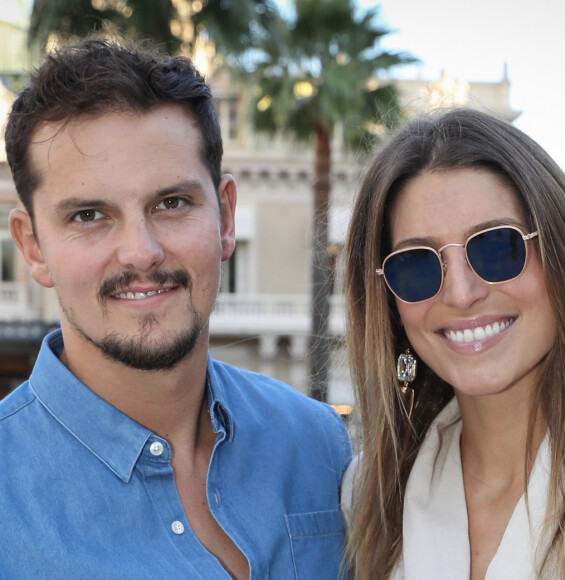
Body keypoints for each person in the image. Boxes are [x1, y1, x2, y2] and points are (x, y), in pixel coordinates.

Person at [1, 35, 352, 579]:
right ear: (32, 248)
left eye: (171, 203)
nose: (141, 252)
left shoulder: (316, 444)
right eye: (89, 215)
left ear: (226, 218)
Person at [341, 107, 565, 579]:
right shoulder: (368, 499)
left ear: (562, 252)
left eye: (496, 247)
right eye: (417, 265)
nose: (460, 294)